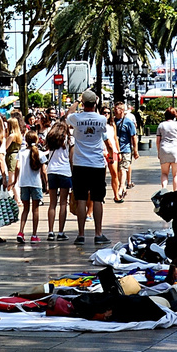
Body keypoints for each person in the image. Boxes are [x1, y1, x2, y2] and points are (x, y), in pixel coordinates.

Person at [67, 89, 111, 247]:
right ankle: (98, 233)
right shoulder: (101, 119)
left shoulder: (76, 118)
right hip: (97, 164)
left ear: (83, 103)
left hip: (80, 163)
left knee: (81, 199)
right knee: (98, 199)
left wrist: (77, 101)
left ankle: (81, 234)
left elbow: (67, 115)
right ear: (96, 103)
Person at [16, 130, 47, 243]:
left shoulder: (21, 152)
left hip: (24, 183)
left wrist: (15, 179)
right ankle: (34, 235)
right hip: (36, 183)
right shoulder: (40, 153)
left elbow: (18, 167)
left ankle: (21, 231)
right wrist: (46, 183)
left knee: (25, 209)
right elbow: (43, 170)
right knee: (35, 210)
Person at [45, 120, 72, 240]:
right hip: (65, 171)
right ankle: (61, 232)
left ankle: (50, 231)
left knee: (52, 203)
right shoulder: (69, 139)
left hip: (51, 171)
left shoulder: (50, 139)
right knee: (63, 203)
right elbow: (71, 158)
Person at [156, 108, 177, 191]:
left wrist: (159, 152)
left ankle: (163, 190)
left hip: (164, 149)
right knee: (176, 174)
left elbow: (158, 141)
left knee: (164, 173)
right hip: (176, 150)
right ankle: (176, 193)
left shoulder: (161, 125)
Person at [114, 102, 139, 196]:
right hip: (115, 150)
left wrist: (135, 151)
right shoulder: (112, 122)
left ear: (122, 110)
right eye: (114, 109)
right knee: (117, 171)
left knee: (123, 169)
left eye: (117, 109)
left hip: (126, 149)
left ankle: (120, 188)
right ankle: (123, 188)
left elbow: (134, 137)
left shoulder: (128, 122)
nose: (115, 111)